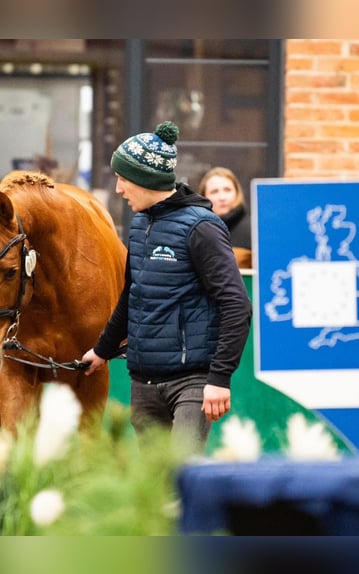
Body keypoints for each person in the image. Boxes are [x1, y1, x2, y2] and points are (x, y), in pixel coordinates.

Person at [81, 121, 252, 455]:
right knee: (153, 490)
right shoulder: (140, 224)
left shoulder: (202, 228)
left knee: (181, 477)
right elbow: (132, 296)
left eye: (122, 179)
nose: (118, 189)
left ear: (146, 180)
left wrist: (219, 379)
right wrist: (102, 351)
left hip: (192, 383)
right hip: (143, 382)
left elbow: (236, 306)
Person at [198, 166, 252, 268]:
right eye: (214, 192)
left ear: (237, 193)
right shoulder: (197, 231)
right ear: (204, 197)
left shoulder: (253, 229)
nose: (222, 197)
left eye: (227, 190)